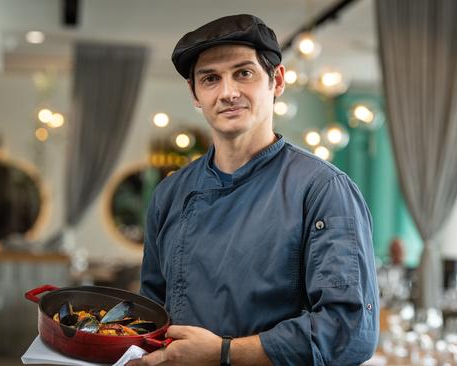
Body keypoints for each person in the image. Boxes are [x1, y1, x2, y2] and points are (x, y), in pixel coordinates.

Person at [130, 14, 379, 366]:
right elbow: (151, 315)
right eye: (211, 79)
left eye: (243, 73)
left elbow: (349, 331)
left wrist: (223, 354)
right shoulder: (170, 194)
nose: (228, 92)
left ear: (276, 81)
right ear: (195, 94)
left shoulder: (323, 189)